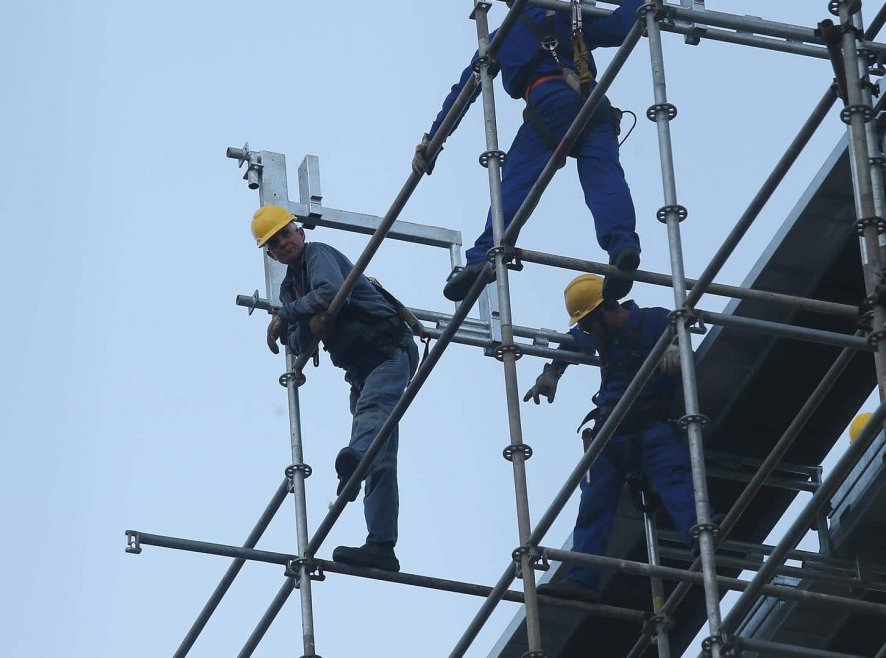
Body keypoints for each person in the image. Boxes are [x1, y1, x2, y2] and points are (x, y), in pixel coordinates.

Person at [416, 0, 644, 303]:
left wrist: (433, 140)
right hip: (592, 101)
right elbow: (619, 27)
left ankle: (482, 255)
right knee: (604, 177)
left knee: (517, 181)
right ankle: (622, 246)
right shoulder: (566, 14)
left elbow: (464, 92)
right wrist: (642, 4)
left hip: (548, 100)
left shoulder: (503, 35)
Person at [251, 205, 420, 572]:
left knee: (371, 415)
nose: (283, 244)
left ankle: (356, 458)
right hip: (360, 368)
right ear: (270, 253)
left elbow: (328, 292)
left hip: (387, 351)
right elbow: (297, 341)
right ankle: (381, 545)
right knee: (381, 460)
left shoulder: (318, 254)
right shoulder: (288, 287)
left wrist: (291, 315)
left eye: (286, 234)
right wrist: (301, 321)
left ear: (299, 232)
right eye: (274, 244)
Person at [522, 273, 708, 602]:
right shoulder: (598, 332)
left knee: (676, 475)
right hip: (611, 431)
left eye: (589, 325)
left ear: (604, 312)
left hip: (650, 425)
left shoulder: (653, 320)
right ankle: (582, 579)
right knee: (593, 501)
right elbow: (571, 341)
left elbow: (683, 340)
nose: (588, 333)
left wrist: (677, 352)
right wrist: (551, 373)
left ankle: (703, 538)